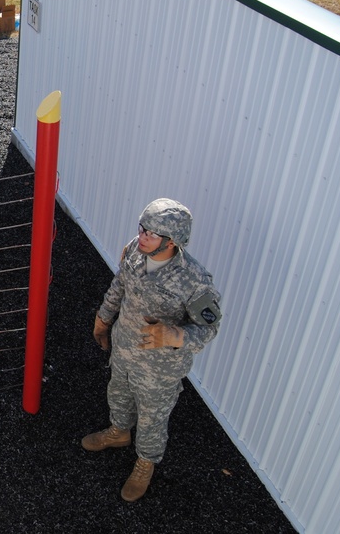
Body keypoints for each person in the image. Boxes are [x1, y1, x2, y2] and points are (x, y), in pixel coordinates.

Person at [83, 199, 223, 502]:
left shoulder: (194, 281)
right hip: (124, 347)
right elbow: (120, 284)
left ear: (171, 242)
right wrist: (103, 318)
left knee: (151, 418)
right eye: (142, 228)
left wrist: (174, 334)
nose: (143, 236)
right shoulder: (136, 249)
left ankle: (145, 463)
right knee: (117, 393)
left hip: (160, 368)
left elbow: (210, 328)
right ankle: (118, 433)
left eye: (152, 234)